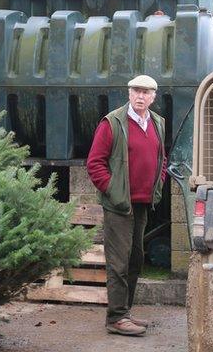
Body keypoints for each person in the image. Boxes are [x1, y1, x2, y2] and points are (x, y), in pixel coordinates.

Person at [86, 74, 167, 336]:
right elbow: (95, 163)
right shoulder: (112, 123)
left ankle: (125, 312)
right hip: (119, 205)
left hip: (142, 203)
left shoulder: (157, 122)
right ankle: (116, 318)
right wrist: (114, 192)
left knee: (135, 259)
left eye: (146, 92)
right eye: (136, 91)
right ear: (129, 93)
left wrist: (158, 184)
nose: (140, 96)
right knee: (118, 262)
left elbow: (161, 159)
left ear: (154, 97)